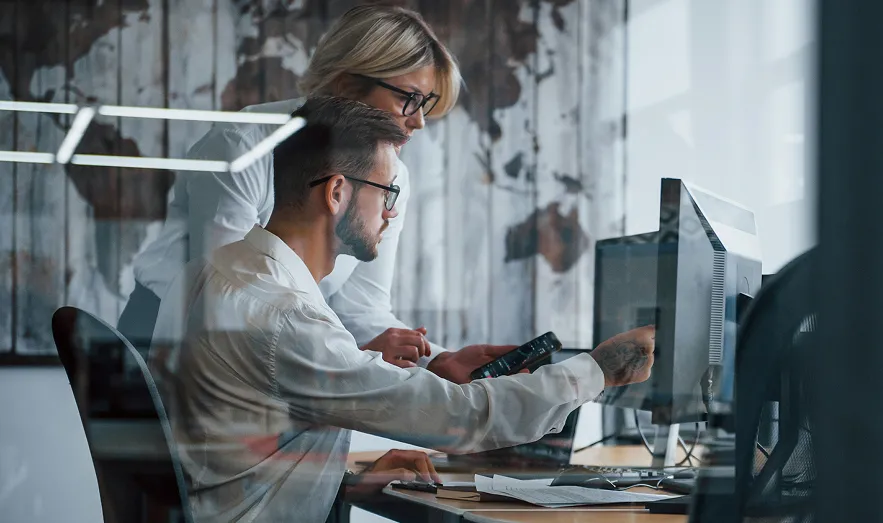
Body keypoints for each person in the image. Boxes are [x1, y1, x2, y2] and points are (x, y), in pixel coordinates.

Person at [150, 96, 655, 523]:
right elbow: (464, 417)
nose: (392, 211)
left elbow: (235, 454)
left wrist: (345, 480)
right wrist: (600, 369)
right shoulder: (287, 319)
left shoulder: (208, 274)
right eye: (387, 191)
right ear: (336, 192)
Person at [120, 5, 479, 375]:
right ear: (346, 84)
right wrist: (352, 356)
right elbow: (229, 300)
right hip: (165, 342)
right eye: (409, 98)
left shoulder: (391, 177)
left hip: (271, 348)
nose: (418, 121)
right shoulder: (243, 145)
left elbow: (361, 311)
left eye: (427, 103)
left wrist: (436, 360)